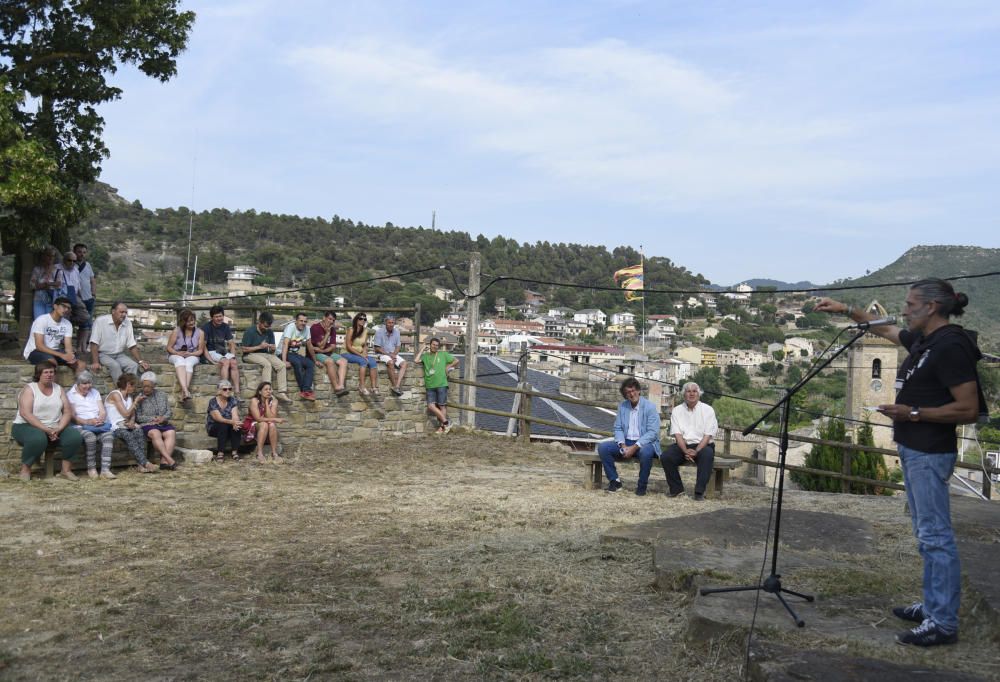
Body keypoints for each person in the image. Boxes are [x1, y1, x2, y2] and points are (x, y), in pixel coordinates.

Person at [815, 279, 983, 647]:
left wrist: (914, 413)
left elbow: (968, 408)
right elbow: (886, 329)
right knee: (926, 537)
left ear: (931, 307)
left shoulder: (952, 345)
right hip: (913, 447)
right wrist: (846, 311)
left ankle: (942, 622)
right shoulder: (925, 341)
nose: (904, 310)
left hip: (929, 451)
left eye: (909, 304)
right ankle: (932, 604)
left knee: (936, 537)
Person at [12, 360, 84, 481]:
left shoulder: (58, 389)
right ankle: (25, 470)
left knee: (74, 436)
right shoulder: (30, 389)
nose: (49, 375)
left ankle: (65, 470)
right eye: (45, 372)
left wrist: (58, 428)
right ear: (38, 374)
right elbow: (25, 413)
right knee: (38, 438)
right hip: (25, 426)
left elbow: (67, 411)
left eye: (51, 372)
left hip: (54, 426)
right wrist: (47, 430)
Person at [597, 377, 664, 495]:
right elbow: (618, 428)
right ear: (625, 395)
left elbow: (653, 433)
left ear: (638, 390)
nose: (632, 394)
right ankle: (615, 481)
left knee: (646, 453)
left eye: (633, 390)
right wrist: (622, 445)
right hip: (626, 441)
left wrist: (634, 447)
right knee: (603, 447)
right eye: (628, 392)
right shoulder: (623, 406)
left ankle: (641, 487)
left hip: (645, 443)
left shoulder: (650, 407)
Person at [661, 382, 718, 501]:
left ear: (699, 394)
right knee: (666, 457)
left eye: (694, 391)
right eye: (688, 391)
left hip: (703, 445)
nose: (691, 394)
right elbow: (678, 435)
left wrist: (696, 451)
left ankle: (699, 492)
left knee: (707, 456)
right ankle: (677, 490)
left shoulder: (708, 410)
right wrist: (686, 450)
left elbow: (707, 436)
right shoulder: (677, 410)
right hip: (683, 445)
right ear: (684, 394)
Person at [66, 370, 116, 480]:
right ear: (78, 384)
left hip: (97, 424)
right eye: (84, 384)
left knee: (108, 436)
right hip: (80, 426)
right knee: (90, 437)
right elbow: (73, 417)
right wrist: (88, 422)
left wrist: (100, 419)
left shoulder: (95, 392)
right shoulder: (70, 395)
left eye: (89, 383)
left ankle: (105, 470)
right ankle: (91, 468)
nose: (87, 386)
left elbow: (102, 411)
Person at [105, 372, 158, 473]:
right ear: (128, 384)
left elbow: (132, 414)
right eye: (134, 386)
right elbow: (125, 413)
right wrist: (136, 402)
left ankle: (140, 465)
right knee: (128, 435)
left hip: (126, 424)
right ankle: (145, 463)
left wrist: (132, 422)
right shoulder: (116, 395)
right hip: (115, 426)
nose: (135, 389)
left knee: (139, 431)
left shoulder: (129, 397)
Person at [89, 302, 151, 383]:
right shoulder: (100, 321)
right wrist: (95, 362)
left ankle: (129, 389)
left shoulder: (128, 323)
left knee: (133, 365)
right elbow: (94, 343)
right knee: (115, 366)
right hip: (103, 354)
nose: (124, 314)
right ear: (113, 311)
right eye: (121, 312)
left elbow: (131, 344)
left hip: (119, 354)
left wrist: (140, 361)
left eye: (126, 312)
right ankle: (121, 391)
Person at [241, 311, 292, 404]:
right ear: (259, 322)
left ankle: (282, 392)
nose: (266, 328)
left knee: (281, 365)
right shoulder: (250, 331)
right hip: (250, 354)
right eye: (265, 326)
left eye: (268, 326)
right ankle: (266, 391)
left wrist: (273, 348)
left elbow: (272, 351)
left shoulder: (269, 332)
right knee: (267, 365)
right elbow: (244, 350)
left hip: (265, 354)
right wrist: (259, 347)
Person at [23, 297, 83, 372]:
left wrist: (70, 355)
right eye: (64, 306)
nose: (66, 310)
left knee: (81, 365)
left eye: (68, 308)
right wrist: (61, 355)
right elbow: (39, 346)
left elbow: (68, 346)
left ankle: (79, 384)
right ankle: (51, 384)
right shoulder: (42, 320)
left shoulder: (67, 324)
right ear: (55, 306)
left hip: (55, 352)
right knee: (51, 363)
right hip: (35, 351)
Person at [134, 372, 178, 471]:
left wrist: (164, 418)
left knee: (171, 432)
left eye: (148, 386)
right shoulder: (138, 397)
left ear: (154, 385)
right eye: (144, 386)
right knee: (155, 433)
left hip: (163, 423)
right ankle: (170, 460)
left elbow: (169, 411)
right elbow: (137, 417)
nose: (146, 389)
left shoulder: (162, 395)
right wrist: (152, 419)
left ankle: (163, 462)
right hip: (148, 425)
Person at [414, 337, 459, 433]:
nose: (435, 347)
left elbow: (456, 361)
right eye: (433, 345)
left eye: (437, 345)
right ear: (430, 345)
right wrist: (422, 349)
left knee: (442, 406)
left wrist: (448, 367)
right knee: (431, 406)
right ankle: (447, 422)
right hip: (430, 385)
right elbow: (416, 360)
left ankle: (442, 427)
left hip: (441, 384)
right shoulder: (425, 356)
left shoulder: (443, 354)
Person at [202, 305, 241, 400]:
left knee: (234, 362)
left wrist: (232, 356)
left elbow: (231, 343)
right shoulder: (206, 327)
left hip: (221, 351)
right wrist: (210, 360)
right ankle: (225, 389)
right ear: (212, 317)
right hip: (211, 351)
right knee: (225, 362)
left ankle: (237, 392)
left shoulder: (225, 326)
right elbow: (203, 346)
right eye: (216, 316)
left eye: (220, 316)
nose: (219, 318)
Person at [166, 308, 204, 406]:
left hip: (192, 354)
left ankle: (184, 392)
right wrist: (177, 353)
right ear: (184, 322)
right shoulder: (177, 331)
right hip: (176, 354)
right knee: (180, 361)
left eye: (192, 320)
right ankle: (185, 391)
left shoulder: (200, 332)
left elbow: (200, 351)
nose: (192, 323)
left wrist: (190, 354)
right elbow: (169, 348)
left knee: (189, 363)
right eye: (188, 321)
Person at [310, 310, 349, 398]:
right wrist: (327, 333)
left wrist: (324, 351)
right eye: (330, 319)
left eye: (333, 320)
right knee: (330, 362)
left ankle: (341, 385)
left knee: (343, 361)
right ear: (324, 318)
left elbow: (333, 346)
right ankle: (336, 388)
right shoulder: (315, 328)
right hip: (316, 353)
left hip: (326, 352)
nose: (331, 322)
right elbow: (320, 346)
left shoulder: (332, 329)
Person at [279, 312, 317, 401]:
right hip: (282, 352)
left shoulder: (307, 329)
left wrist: (315, 360)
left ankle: (306, 389)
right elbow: (285, 344)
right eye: (301, 321)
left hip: (294, 354)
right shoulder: (290, 327)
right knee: (297, 363)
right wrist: (284, 361)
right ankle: (304, 390)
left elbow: (310, 345)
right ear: (296, 321)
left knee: (310, 364)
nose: (303, 323)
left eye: (305, 321)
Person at [247, 381, 285, 464]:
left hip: (266, 424)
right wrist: (275, 419)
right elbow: (258, 419)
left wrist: (267, 403)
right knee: (265, 424)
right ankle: (259, 453)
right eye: (266, 389)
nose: (268, 391)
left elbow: (271, 418)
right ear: (260, 392)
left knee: (272, 425)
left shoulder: (274, 401)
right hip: (253, 424)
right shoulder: (254, 400)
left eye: (270, 389)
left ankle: (274, 453)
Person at [206, 379, 242, 462]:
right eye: (225, 389)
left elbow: (235, 415)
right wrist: (232, 422)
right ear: (219, 391)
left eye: (230, 389)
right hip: (214, 427)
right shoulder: (213, 401)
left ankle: (234, 452)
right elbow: (218, 418)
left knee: (238, 425)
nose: (228, 391)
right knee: (223, 425)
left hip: (228, 425)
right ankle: (220, 452)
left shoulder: (232, 400)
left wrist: (235, 422)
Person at [55, 250, 90, 332]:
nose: (72, 262)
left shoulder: (76, 270)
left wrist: (80, 298)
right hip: (61, 296)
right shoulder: (56, 268)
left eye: (74, 261)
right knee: (62, 314)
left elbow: (78, 285)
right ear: (64, 260)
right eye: (69, 260)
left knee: (85, 316)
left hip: (73, 295)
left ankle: (67, 322)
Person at [344, 312, 378, 396]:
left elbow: (364, 345)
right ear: (356, 320)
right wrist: (361, 355)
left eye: (364, 319)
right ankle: (361, 387)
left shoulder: (365, 331)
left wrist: (365, 353)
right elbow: (348, 347)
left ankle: (373, 387)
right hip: (347, 353)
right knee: (363, 361)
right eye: (361, 318)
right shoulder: (351, 330)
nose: (363, 320)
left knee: (373, 361)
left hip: (359, 353)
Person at [374, 314, 408, 396]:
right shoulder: (379, 332)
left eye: (392, 323)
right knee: (390, 362)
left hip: (392, 353)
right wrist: (390, 355)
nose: (391, 324)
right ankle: (394, 385)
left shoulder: (397, 332)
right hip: (382, 354)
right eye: (389, 322)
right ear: (385, 322)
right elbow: (377, 348)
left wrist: (394, 354)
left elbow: (398, 346)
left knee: (404, 364)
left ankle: (397, 386)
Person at [74, 243, 97, 355]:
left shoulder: (88, 265)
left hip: (89, 298)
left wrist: (93, 294)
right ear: (75, 252)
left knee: (87, 324)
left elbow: (92, 280)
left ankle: (83, 347)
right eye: (79, 252)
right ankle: (78, 346)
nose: (82, 254)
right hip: (78, 299)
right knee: (80, 323)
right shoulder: (71, 265)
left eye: (84, 252)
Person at [29, 246, 61, 321]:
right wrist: (49, 284)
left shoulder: (57, 270)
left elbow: (59, 285)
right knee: (39, 321)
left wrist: (44, 284)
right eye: (48, 255)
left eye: (52, 256)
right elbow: (32, 285)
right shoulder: (37, 269)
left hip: (52, 301)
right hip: (39, 300)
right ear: (43, 256)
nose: (50, 258)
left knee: (50, 323)